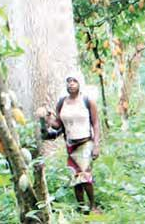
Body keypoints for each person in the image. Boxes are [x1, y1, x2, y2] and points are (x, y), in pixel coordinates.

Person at [41, 76, 102, 213]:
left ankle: (92, 205)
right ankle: (81, 207)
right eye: (69, 82)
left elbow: (96, 123)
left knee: (84, 176)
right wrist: (48, 118)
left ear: (80, 83)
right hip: (70, 144)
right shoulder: (62, 102)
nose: (71, 84)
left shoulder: (87, 100)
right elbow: (58, 125)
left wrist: (96, 145)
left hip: (85, 142)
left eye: (74, 81)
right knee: (75, 177)